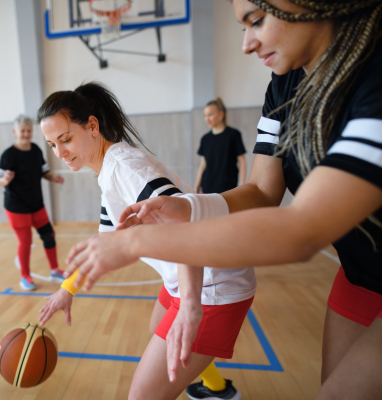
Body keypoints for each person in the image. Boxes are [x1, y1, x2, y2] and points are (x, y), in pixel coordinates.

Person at [61, 0, 382, 398]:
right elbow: (260, 192)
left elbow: (304, 229)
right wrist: (189, 206)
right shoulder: (284, 87)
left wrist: (135, 240)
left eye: (257, 21)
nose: (247, 43)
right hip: (363, 271)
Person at [36, 82, 256, 400]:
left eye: (66, 139)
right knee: (158, 325)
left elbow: (186, 224)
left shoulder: (124, 168)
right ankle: (215, 388)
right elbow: (104, 244)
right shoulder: (108, 171)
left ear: (93, 126)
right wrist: (66, 290)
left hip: (212, 284)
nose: (60, 153)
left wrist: (191, 306)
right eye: (52, 144)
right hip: (190, 277)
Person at [0, 114, 65, 291]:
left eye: (28, 131)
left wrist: (53, 178)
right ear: (15, 132)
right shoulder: (8, 155)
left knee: (49, 235)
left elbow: (44, 172)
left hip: (36, 204)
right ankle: (25, 276)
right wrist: (6, 179)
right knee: (25, 242)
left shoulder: (35, 150)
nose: (26, 134)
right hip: (17, 207)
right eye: (22, 131)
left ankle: (55, 271)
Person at [194, 98, 247, 194]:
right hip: (207, 188)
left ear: (221, 114)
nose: (207, 118)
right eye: (205, 115)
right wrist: (196, 186)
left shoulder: (233, 135)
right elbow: (203, 165)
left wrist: (241, 186)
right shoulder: (205, 139)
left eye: (210, 115)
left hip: (228, 189)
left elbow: (242, 162)